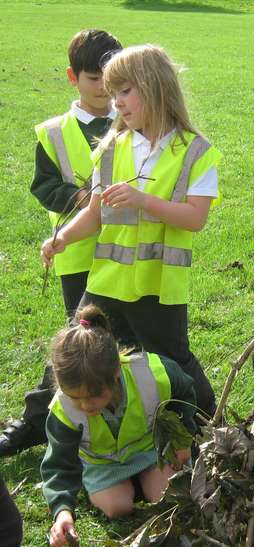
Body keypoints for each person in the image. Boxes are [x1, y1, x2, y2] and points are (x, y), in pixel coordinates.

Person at [40, 43, 221, 425]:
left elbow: (195, 218)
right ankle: (65, 427)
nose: (114, 101)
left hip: (157, 286)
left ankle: (209, 425)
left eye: (125, 91)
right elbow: (95, 214)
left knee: (172, 360)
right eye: (112, 91)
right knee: (81, 346)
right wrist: (63, 239)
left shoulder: (194, 153)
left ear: (154, 88)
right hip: (106, 280)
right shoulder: (111, 146)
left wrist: (143, 200)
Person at [0, 29, 122, 458]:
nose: (105, 91)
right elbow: (43, 185)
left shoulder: (134, 120)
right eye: (94, 79)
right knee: (80, 342)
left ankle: (136, 418)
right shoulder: (54, 132)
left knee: (136, 340)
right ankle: (36, 421)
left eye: (112, 79)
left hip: (131, 256)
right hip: (78, 257)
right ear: (72, 77)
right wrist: (78, 199)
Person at [41, 304, 196, 547]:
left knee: (167, 496)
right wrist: (62, 511)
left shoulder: (149, 373)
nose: (84, 405)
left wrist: (182, 439)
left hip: (148, 451)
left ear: (115, 373)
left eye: (93, 396)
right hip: (102, 465)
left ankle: (145, 481)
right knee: (118, 507)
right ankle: (123, 488)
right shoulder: (63, 410)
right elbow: (58, 464)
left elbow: (184, 389)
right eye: (75, 397)